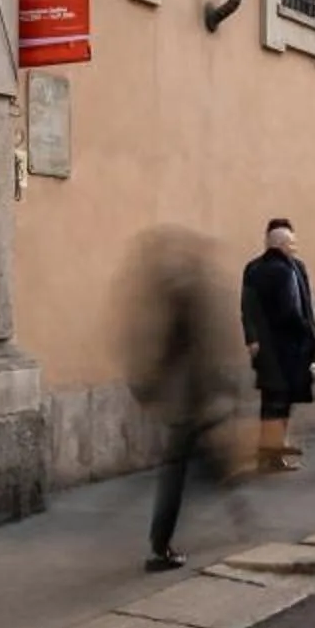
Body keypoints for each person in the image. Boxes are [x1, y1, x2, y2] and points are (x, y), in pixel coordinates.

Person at [127, 227, 234, 572]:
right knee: (177, 472)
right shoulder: (188, 293)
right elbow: (187, 349)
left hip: (192, 399)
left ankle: (236, 509)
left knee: (199, 461)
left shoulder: (179, 291)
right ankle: (161, 547)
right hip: (190, 400)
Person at [238, 219, 315, 472]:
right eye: (291, 243)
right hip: (278, 346)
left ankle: (274, 451)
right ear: (280, 244)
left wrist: (309, 332)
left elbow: (305, 303)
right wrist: (252, 338)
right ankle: (270, 454)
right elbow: (247, 307)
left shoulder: (297, 267)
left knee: (282, 399)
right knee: (274, 400)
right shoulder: (256, 269)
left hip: (286, 345)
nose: (295, 247)